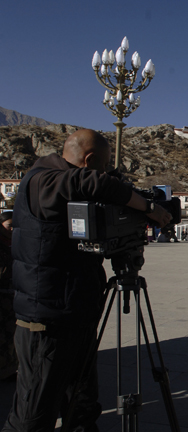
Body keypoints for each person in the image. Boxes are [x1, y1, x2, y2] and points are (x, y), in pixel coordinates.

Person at [2, 129, 172, 432]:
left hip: (75, 315)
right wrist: (148, 208)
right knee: (32, 417)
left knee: (82, 407)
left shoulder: (63, 183)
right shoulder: (44, 180)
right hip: (47, 325)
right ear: (88, 159)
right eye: (103, 166)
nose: (104, 173)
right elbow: (91, 182)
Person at [0, 212, 17, 381]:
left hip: (12, 295)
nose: (11, 229)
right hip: (2, 295)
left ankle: (9, 370)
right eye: (8, 226)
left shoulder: (16, 243)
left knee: (11, 336)